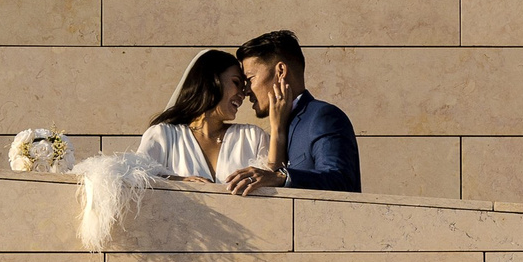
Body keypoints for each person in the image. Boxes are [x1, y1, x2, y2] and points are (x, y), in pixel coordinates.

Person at [225, 29, 360, 194]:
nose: (246, 91)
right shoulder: (278, 125)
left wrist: (280, 178)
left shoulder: (322, 116)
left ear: (280, 71)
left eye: (250, 79)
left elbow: (341, 181)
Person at [134, 47, 267, 184]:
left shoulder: (253, 137)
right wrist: (178, 182)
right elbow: (135, 180)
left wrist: (278, 123)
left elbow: (277, 186)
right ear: (210, 81)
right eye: (236, 82)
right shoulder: (163, 136)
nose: (243, 94)